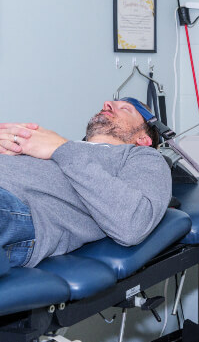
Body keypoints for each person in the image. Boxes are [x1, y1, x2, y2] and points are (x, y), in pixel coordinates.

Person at [0, 98, 172, 268]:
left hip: (19, 210)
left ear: (143, 139)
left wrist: (62, 148)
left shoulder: (142, 157)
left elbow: (133, 225)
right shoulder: (58, 146)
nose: (107, 104)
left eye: (125, 109)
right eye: (110, 103)